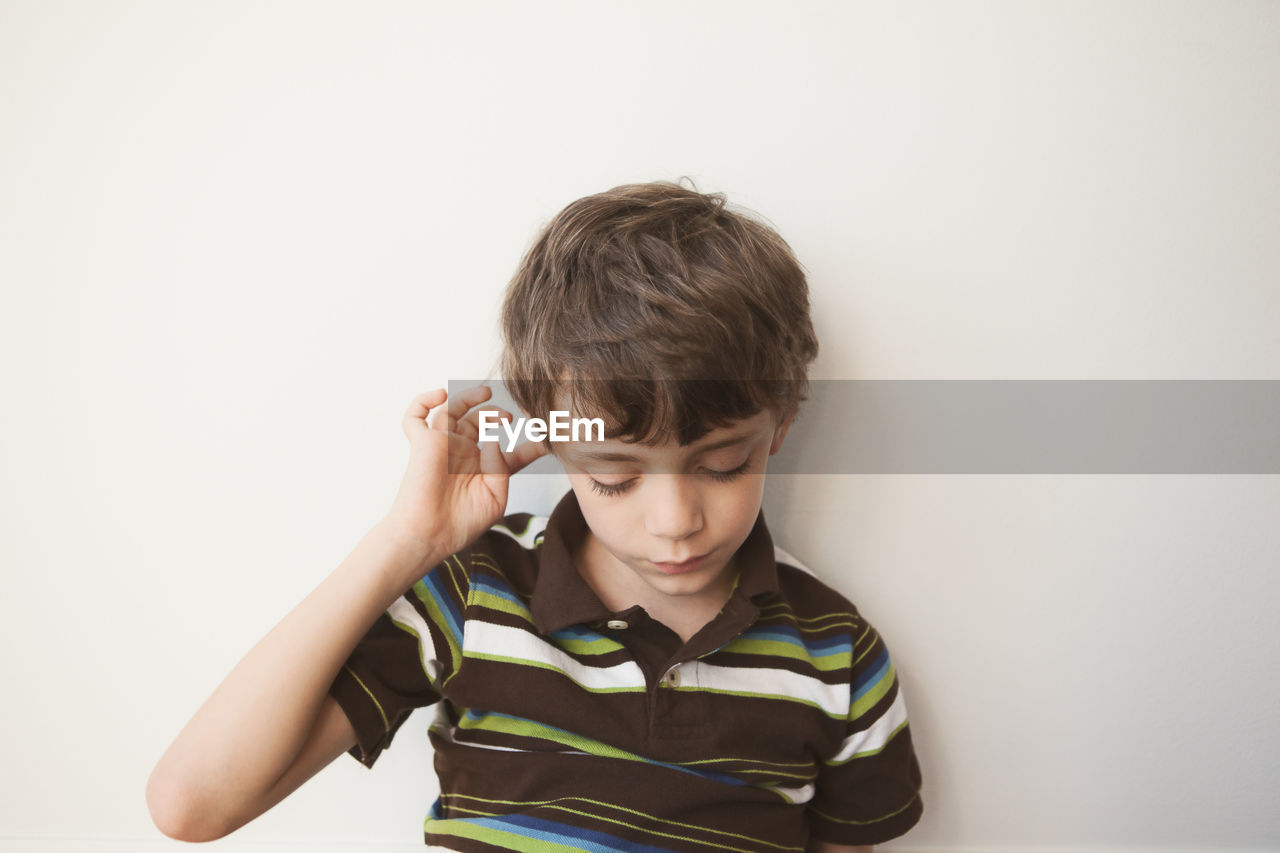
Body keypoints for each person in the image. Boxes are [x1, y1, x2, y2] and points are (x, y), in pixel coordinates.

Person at [146, 180, 924, 851]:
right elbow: (192, 804)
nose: (675, 520)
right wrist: (404, 542)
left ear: (780, 423)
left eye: (722, 464)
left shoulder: (836, 656)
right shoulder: (476, 597)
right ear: (556, 440)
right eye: (616, 473)